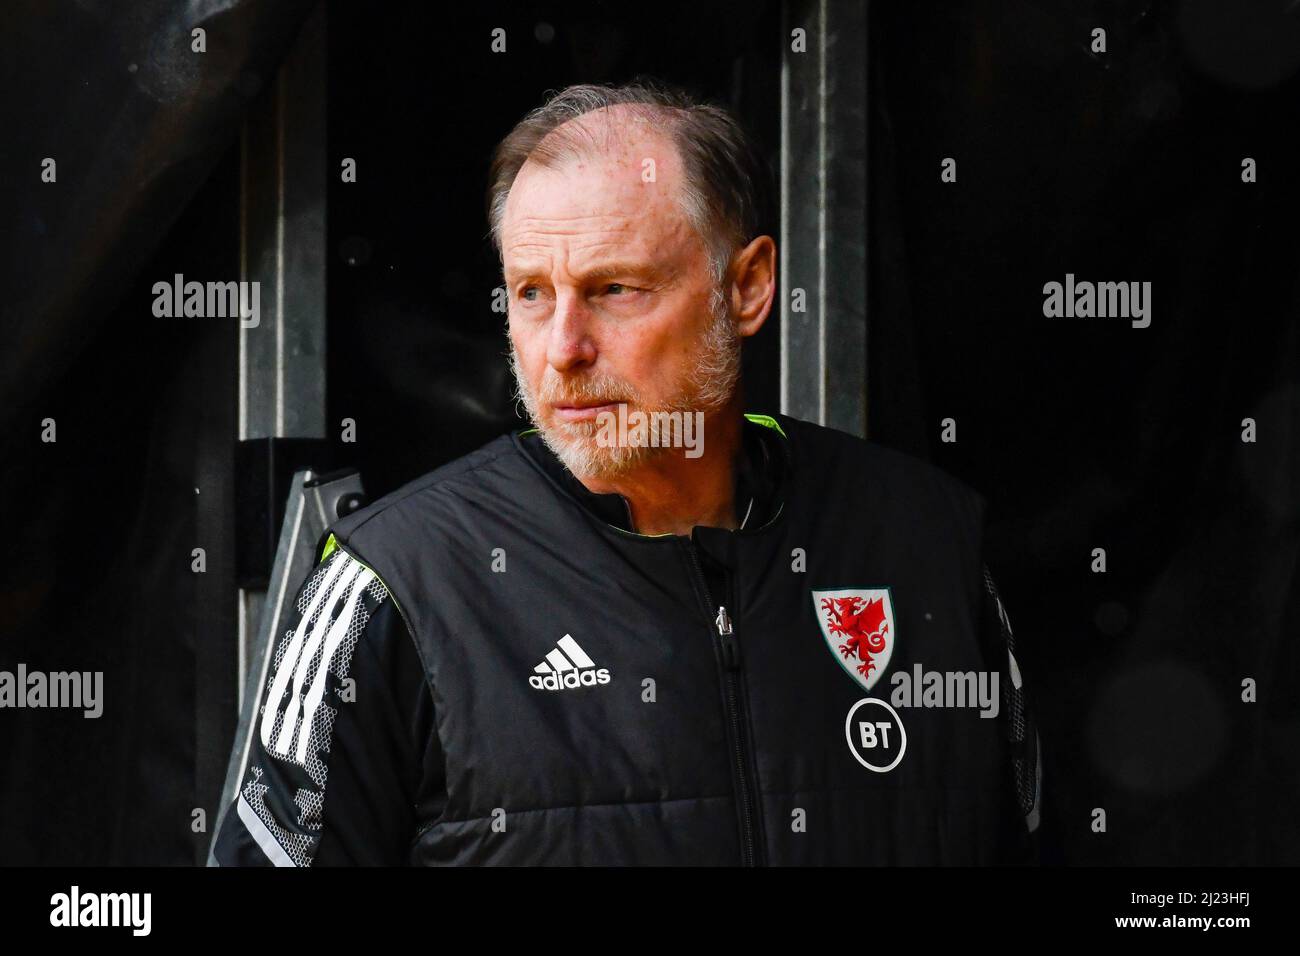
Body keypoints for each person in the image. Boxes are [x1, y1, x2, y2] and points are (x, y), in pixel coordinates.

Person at [212, 79, 1041, 866]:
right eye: (532, 293)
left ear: (747, 287)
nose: (562, 351)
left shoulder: (926, 541)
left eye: (614, 288)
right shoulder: (392, 582)